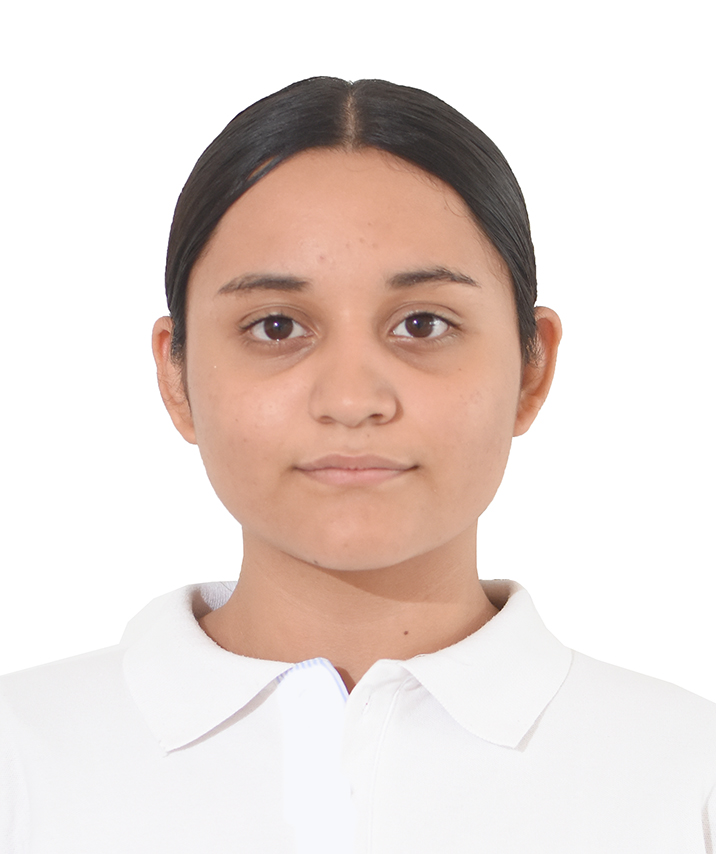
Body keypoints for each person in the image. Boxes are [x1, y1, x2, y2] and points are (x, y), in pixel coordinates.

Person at [1, 77, 714, 853]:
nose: (351, 400)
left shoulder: (686, 776)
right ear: (177, 377)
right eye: (277, 327)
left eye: (422, 324)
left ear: (531, 369)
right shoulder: (22, 763)